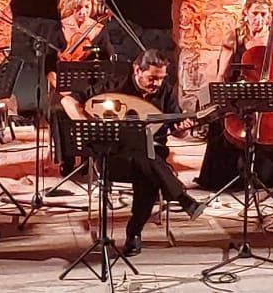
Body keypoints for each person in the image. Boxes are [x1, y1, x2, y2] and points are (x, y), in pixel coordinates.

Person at [60, 49, 206, 257]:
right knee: (147, 164)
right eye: (152, 78)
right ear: (137, 70)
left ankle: (136, 232)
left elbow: (176, 131)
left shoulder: (165, 92)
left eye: (161, 78)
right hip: (115, 159)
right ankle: (176, 202)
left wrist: (183, 128)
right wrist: (86, 123)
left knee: (146, 163)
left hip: (152, 158)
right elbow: (67, 101)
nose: (157, 84)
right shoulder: (114, 85)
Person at [195, 0, 273, 192]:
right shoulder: (235, 37)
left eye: (263, 14)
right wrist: (220, 99)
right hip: (241, 97)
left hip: (268, 97)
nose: (258, 19)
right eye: (255, 13)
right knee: (219, 122)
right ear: (246, 12)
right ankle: (223, 177)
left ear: (269, 16)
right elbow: (221, 74)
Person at [46, 0, 117, 175]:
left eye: (87, 7)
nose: (83, 12)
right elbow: (48, 66)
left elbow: (108, 60)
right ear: (70, 6)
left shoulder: (97, 29)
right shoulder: (58, 29)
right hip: (63, 85)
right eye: (78, 8)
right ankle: (67, 159)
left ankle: (88, 156)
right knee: (57, 110)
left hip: (90, 86)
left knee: (95, 107)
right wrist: (60, 86)